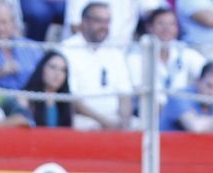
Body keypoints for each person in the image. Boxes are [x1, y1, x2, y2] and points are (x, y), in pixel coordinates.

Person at [59, 1, 130, 129]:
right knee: (88, 126)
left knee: (142, 127)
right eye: (99, 21)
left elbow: (125, 95)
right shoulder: (67, 49)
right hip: (84, 118)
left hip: (114, 119)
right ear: (84, 22)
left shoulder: (115, 51)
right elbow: (71, 98)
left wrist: (125, 123)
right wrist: (105, 122)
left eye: (107, 21)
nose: (104, 26)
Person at [124, 6, 201, 112]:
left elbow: (207, 72)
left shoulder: (183, 51)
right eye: (161, 24)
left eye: (171, 24)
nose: (167, 29)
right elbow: (140, 94)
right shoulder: (136, 55)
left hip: (180, 113)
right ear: (149, 27)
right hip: (149, 115)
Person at [160, 61, 213, 133]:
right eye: (209, 86)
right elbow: (195, 127)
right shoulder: (180, 96)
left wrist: (207, 125)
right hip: (167, 148)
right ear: (198, 81)